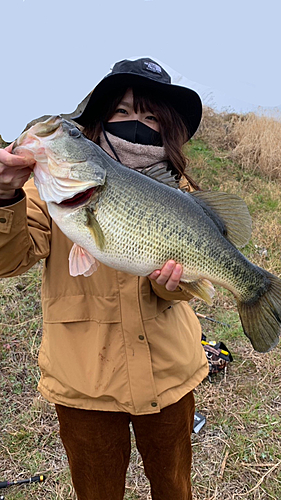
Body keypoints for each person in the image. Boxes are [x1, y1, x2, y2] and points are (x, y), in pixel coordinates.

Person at [0, 58, 208, 500]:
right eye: (123, 112)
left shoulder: (181, 193)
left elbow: (186, 287)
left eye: (151, 115)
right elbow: (10, 259)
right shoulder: (50, 184)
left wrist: (170, 283)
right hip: (84, 382)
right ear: (99, 119)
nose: (138, 123)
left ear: (167, 126)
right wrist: (5, 195)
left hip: (169, 374)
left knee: (175, 488)